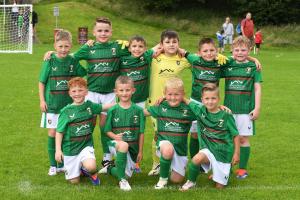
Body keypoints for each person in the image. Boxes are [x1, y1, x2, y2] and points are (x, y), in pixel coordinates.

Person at [72, 17, 130, 170]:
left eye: (106, 30)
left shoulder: (117, 47)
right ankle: (84, 156)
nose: (103, 33)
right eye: (99, 30)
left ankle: (107, 159)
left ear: (111, 32)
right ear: (94, 32)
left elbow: (138, 50)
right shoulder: (89, 48)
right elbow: (71, 59)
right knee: (87, 126)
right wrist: (52, 53)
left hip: (110, 95)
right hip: (91, 94)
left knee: (106, 128)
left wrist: (129, 44)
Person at [39, 30, 87, 176]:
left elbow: (84, 73)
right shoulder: (50, 60)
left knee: (65, 133)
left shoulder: (72, 61)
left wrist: (75, 58)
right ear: (55, 46)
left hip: (67, 106)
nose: (63, 49)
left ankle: (63, 163)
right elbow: (41, 82)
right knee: (53, 132)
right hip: (52, 104)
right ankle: (53, 165)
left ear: (70, 46)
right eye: (60, 46)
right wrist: (42, 100)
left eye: (66, 46)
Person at [147, 30, 191, 176]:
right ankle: (156, 164)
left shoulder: (183, 60)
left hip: (174, 104)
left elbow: (200, 60)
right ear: (161, 44)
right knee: (157, 133)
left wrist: (186, 52)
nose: (171, 45)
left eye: (174, 42)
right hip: (156, 103)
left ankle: (173, 162)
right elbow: (139, 53)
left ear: (179, 44)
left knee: (172, 132)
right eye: (167, 42)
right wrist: (155, 49)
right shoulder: (154, 58)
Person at [180, 83, 240, 190]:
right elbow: (186, 100)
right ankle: (191, 182)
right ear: (202, 100)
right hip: (208, 149)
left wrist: (236, 153)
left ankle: (224, 171)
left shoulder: (226, 115)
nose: (210, 101)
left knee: (219, 187)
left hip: (223, 153)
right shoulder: (200, 110)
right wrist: (164, 97)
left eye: (213, 98)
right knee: (196, 159)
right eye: (207, 98)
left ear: (218, 99)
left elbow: (235, 135)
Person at [55, 77, 113, 185]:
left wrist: (123, 101)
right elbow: (59, 132)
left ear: (86, 92)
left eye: (80, 90)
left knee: (92, 166)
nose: (77, 94)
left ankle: (90, 171)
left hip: (86, 146)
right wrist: (58, 150)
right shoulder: (66, 111)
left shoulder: (90, 106)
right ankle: (82, 169)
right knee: (74, 182)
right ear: (69, 93)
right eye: (74, 91)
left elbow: (105, 107)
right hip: (70, 149)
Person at [222, 36, 262, 179]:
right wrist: (253, 58)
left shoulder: (253, 67)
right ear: (232, 50)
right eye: (236, 50)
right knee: (227, 138)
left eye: (243, 50)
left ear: (249, 50)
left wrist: (257, 108)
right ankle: (225, 168)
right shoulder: (228, 63)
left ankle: (242, 169)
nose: (239, 53)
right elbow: (217, 58)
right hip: (228, 110)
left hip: (246, 110)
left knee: (243, 139)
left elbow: (257, 88)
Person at [145, 77, 196, 189]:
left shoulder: (188, 109)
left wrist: (187, 101)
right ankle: (162, 180)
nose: (173, 98)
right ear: (164, 94)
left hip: (180, 150)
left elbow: (204, 112)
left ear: (183, 94)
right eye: (169, 94)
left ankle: (167, 166)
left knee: (176, 180)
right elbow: (144, 112)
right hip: (165, 143)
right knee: (168, 150)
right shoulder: (161, 106)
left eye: (177, 95)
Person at [102, 76, 145, 191]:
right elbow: (107, 131)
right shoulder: (112, 110)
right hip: (115, 143)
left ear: (133, 90)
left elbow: (141, 133)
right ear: (116, 92)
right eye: (121, 90)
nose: (124, 93)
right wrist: (115, 137)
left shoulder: (138, 110)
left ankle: (110, 168)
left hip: (133, 148)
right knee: (123, 145)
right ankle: (122, 181)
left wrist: (140, 151)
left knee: (125, 173)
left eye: (127, 90)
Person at [119, 35, 159, 108]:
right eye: (134, 46)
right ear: (129, 49)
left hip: (141, 98)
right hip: (124, 97)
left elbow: (160, 45)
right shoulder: (122, 59)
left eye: (140, 46)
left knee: (139, 118)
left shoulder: (146, 57)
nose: (137, 49)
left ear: (145, 49)